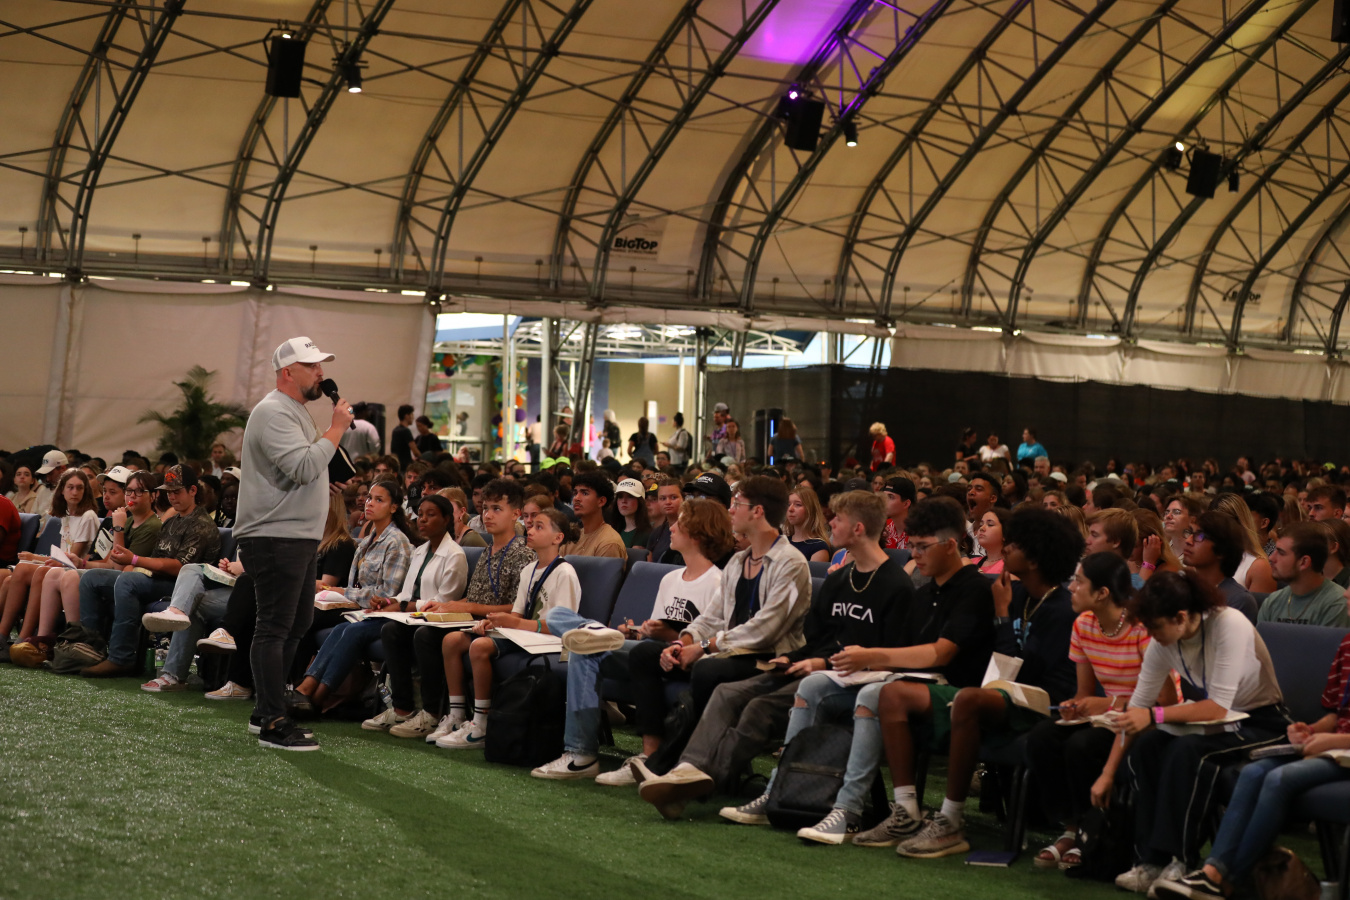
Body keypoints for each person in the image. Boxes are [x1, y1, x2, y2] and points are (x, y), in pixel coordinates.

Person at [720, 497, 996, 843]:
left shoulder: (972, 588)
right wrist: (850, 662)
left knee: (873, 693)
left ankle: (848, 809)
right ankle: (780, 789)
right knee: (813, 686)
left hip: (953, 691)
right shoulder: (926, 592)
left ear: (951, 545)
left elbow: (941, 653)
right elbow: (902, 651)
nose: (914, 555)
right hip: (909, 681)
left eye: (922, 547)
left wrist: (870, 657)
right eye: (911, 546)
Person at [635, 491, 912, 812]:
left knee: (752, 703)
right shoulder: (840, 580)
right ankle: (684, 771)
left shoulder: (894, 585)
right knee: (725, 692)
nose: (831, 523)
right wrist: (793, 659)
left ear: (859, 528)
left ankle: (690, 783)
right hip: (808, 668)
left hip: (851, 680)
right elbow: (816, 637)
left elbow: (891, 654)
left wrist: (817, 661)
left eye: (838, 519)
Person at [883, 507, 1083, 858]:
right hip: (1003, 694)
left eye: (1014, 544)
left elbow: (1026, 674)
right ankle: (906, 810)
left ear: (1034, 559)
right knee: (894, 693)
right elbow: (1003, 668)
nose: (1005, 548)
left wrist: (1002, 616)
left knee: (969, 699)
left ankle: (951, 820)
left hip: (1043, 703)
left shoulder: (1063, 610)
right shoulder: (1013, 593)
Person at [620, 476, 810, 794]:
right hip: (730, 653)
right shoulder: (739, 561)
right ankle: (653, 754)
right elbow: (712, 616)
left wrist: (705, 647)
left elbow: (766, 630)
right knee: (645, 653)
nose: (730, 510)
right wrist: (683, 642)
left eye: (737, 504)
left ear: (758, 512)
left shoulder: (790, 562)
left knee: (709, 669)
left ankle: (667, 764)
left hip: (769, 659)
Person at [1112, 571, 1289, 894]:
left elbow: (1217, 707)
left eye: (1155, 626)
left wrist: (1154, 714)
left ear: (1181, 617)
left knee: (1188, 751)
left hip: (1264, 723)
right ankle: (1150, 861)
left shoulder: (1228, 624)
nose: (1151, 635)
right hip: (1219, 722)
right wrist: (1106, 774)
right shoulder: (1163, 642)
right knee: (1148, 745)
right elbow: (1136, 710)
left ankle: (1181, 860)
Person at [533, 499, 733, 781]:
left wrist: (667, 635)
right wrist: (639, 631)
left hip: (678, 658)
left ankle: (581, 753)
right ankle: (580, 755)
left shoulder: (717, 582)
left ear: (697, 533)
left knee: (585, 646)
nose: (672, 528)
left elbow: (710, 641)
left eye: (680, 523)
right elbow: (653, 630)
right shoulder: (671, 579)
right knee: (561, 620)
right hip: (647, 651)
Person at [1151, 631, 1350, 900]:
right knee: (1253, 772)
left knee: (1280, 779)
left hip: (1342, 750)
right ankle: (1213, 873)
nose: (1347, 604)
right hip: (1333, 747)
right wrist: (1312, 730)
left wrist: (1334, 740)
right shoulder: (1347, 644)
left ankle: (1227, 881)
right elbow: (1336, 715)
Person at [231, 335, 352, 751]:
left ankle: (266, 708)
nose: (321, 371)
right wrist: (337, 428)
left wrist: (324, 475)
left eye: (320, 364)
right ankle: (273, 721)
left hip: (292, 536)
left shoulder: (293, 410)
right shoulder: (273, 412)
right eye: (312, 365)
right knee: (275, 626)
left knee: (296, 623)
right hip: (274, 535)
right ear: (288, 372)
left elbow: (304, 467)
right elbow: (302, 467)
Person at [1024, 552, 1159, 870]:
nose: (1070, 587)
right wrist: (1075, 707)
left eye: (1079, 582)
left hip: (1146, 719)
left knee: (1081, 745)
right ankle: (1071, 828)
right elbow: (1084, 693)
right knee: (1042, 736)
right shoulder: (1084, 624)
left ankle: (1092, 831)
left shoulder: (1142, 629)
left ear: (1102, 593)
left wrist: (1107, 704)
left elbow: (1156, 702)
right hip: (1109, 716)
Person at [436, 509, 581, 750]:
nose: (530, 530)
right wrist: (495, 622)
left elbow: (564, 626)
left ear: (558, 538)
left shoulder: (564, 573)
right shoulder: (529, 570)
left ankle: (481, 722)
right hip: (525, 635)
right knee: (452, 640)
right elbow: (516, 614)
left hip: (548, 640)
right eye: (531, 525)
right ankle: (457, 714)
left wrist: (515, 623)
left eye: (539, 527)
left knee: (480, 647)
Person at [76, 465, 221, 678]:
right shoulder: (172, 521)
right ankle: (90, 650)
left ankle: (121, 658)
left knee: (128, 581)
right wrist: (134, 565)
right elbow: (156, 558)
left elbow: (180, 567)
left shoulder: (201, 525)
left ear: (193, 491)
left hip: (182, 588)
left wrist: (135, 560)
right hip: (157, 579)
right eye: (168, 492)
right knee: (91, 578)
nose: (171, 497)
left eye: (177, 491)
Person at [292, 479, 415, 712]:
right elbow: (354, 585)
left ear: (393, 507)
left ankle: (314, 697)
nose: (369, 503)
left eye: (379, 500)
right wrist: (343, 595)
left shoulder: (397, 542)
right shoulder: (366, 541)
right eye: (369, 498)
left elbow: (388, 594)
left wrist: (342, 592)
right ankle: (306, 690)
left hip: (387, 613)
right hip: (361, 610)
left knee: (349, 631)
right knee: (339, 628)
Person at [359, 494, 470, 736]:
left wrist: (402, 606)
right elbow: (406, 593)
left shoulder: (455, 554)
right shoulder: (420, 551)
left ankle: (431, 713)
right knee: (390, 630)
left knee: (423, 635)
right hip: (414, 617)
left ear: (446, 519)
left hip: (441, 623)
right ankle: (402, 708)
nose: (423, 520)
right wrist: (389, 601)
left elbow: (443, 602)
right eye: (420, 515)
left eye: (431, 515)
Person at [1258, 522, 1350, 627]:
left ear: (1304, 562)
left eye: (1281, 553)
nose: (1271, 558)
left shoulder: (1337, 604)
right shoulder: (1273, 602)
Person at [1181, 511, 1259, 623]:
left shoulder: (1238, 600)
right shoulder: (1182, 588)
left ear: (1221, 550)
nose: (1188, 541)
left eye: (1199, 536)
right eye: (1190, 533)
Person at [561, 471, 626, 560]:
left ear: (601, 501)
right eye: (575, 493)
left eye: (585, 493)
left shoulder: (609, 543)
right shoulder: (573, 537)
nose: (576, 498)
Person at [784, 487, 830, 563]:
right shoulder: (783, 541)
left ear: (810, 510)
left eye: (798, 505)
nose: (790, 509)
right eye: (788, 504)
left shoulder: (818, 547)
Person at [644, 476, 683, 564]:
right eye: (663, 498)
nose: (668, 502)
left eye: (673, 497)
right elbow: (649, 567)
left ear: (683, 499)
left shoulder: (693, 531)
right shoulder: (656, 533)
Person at [610, 477, 651, 550]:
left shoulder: (646, 534)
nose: (624, 501)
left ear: (640, 501)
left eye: (630, 496)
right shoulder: (613, 531)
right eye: (620, 497)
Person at [1162, 495, 1204, 562]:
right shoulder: (1161, 551)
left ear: (1192, 520)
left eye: (1176, 512)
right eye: (1166, 512)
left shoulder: (1199, 555)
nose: (1168, 516)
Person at [880, 476, 914, 550]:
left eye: (890, 497)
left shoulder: (919, 531)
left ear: (906, 504)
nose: (884, 501)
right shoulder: (882, 528)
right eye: (883, 497)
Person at [33, 449, 70, 518]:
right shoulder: (43, 492)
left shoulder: (73, 492)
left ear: (63, 468)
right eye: (46, 474)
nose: (48, 479)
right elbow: (33, 516)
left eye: (50, 473)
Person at [975, 507, 1008, 576]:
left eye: (990, 524)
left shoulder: (1010, 567)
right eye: (981, 524)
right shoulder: (970, 562)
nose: (981, 528)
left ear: (1005, 533)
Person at [390, 404, 416, 469]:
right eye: (412, 414)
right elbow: (415, 451)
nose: (413, 417)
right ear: (406, 416)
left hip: (397, 464)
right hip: (405, 466)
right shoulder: (406, 431)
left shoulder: (395, 430)